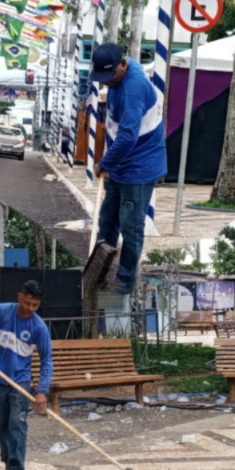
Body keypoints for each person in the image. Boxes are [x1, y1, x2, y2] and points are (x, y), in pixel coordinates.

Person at [89, 43, 166, 295]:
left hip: (139, 166)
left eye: (109, 77)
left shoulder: (133, 90)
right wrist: (110, 160)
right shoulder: (117, 76)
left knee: (130, 225)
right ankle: (100, 268)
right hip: (122, 162)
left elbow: (128, 137)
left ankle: (124, 280)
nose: (106, 83)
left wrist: (105, 163)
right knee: (107, 219)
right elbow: (114, 126)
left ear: (122, 65)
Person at [0, 280, 53, 470]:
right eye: (27, 302)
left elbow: (47, 361)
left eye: (35, 305)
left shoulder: (38, 327)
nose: (30, 308)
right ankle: (8, 461)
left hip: (20, 382)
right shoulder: (2, 312)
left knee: (17, 425)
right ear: (19, 296)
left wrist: (42, 392)